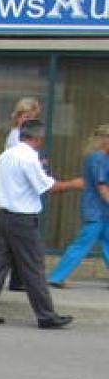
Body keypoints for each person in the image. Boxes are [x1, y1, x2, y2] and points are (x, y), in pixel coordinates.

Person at [0, 119, 83, 329]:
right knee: (33, 267)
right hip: (22, 220)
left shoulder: (5, 156)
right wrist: (75, 184)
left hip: (4, 216)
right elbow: (47, 187)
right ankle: (46, 316)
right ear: (38, 137)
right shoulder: (29, 158)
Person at [0, 97, 43, 287]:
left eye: (32, 117)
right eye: (25, 116)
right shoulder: (17, 137)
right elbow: (21, 161)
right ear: (18, 117)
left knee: (11, 243)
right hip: (18, 196)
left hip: (20, 195)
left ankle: (13, 278)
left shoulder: (19, 135)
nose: (28, 120)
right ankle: (1, 270)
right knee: (19, 242)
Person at [48, 123, 109, 288]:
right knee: (82, 245)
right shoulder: (98, 159)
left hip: (101, 211)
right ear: (105, 140)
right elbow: (101, 185)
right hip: (96, 210)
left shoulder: (100, 158)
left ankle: (57, 277)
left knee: (107, 243)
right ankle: (56, 277)